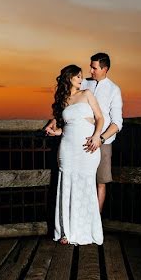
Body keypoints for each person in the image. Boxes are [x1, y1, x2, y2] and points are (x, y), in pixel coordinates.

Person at [46, 52, 122, 212]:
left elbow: (117, 123)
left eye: (94, 68)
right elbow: (69, 106)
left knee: (99, 182)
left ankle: (96, 220)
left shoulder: (114, 90)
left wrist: (99, 138)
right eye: (90, 67)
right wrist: (54, 121)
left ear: (105, 69)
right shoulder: (83, 84)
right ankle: (77, 218)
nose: (90, 71)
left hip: (103, 142)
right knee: (78, 179)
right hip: (79, 141)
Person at [48, 64, 105, 245]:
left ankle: (85, 231)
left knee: (86, 183)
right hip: (67, 146)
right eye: (78, 76)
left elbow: (100, 118)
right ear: (69, 78)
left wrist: (97, 136)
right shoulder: (63, 99)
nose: (82, 79)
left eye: (82, 76)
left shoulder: (87, 94)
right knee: (66, 183)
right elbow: (64, 125)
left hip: (87, 146)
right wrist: (55, 130)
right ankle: (66, 232)